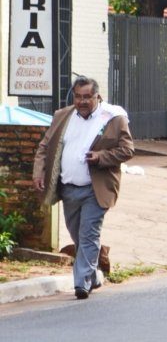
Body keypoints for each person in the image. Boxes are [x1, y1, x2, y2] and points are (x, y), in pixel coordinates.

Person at [32, 76, 135, 300]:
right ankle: (95, 274)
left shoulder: (113, 118)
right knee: (78, 234)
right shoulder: (63, 116)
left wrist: (101, 156)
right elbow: (44, 146)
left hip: (95, 188)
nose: (82, 101)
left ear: (97, 96)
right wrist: (39, 172)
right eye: (78, 97)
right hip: (69, 188)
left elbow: (127, 150)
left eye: (87, 97)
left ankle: (82, 283)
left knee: (88, 234)